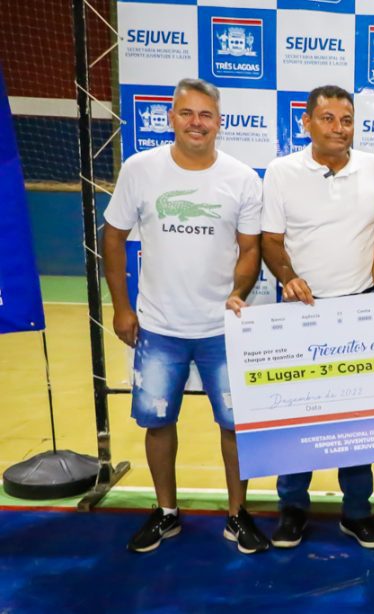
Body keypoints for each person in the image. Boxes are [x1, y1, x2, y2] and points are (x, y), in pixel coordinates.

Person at [102, 78, 268, 554]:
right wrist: (120, 307)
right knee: (158, 422)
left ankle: (238, 515)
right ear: (171, 117)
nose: (196, 123)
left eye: (206, 115)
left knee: (235, 426)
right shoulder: (140, 169)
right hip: (158, 327)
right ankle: (167, 512)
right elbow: (113, 238)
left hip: (222, 328)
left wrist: (237, 293)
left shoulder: (241, 177)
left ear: (220, 121)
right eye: (187, 113)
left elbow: (251, 247)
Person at [261, 85, 374, 550]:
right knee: (300, 418)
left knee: (357, 419)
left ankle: (356, 512)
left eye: (347, 119)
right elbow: (270, 240)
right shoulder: (281, 172)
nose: (339, 127)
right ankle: (292, 508)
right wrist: (289, 277)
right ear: (307, 123)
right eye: (328, 118)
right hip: (301, 313)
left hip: (360, 307)